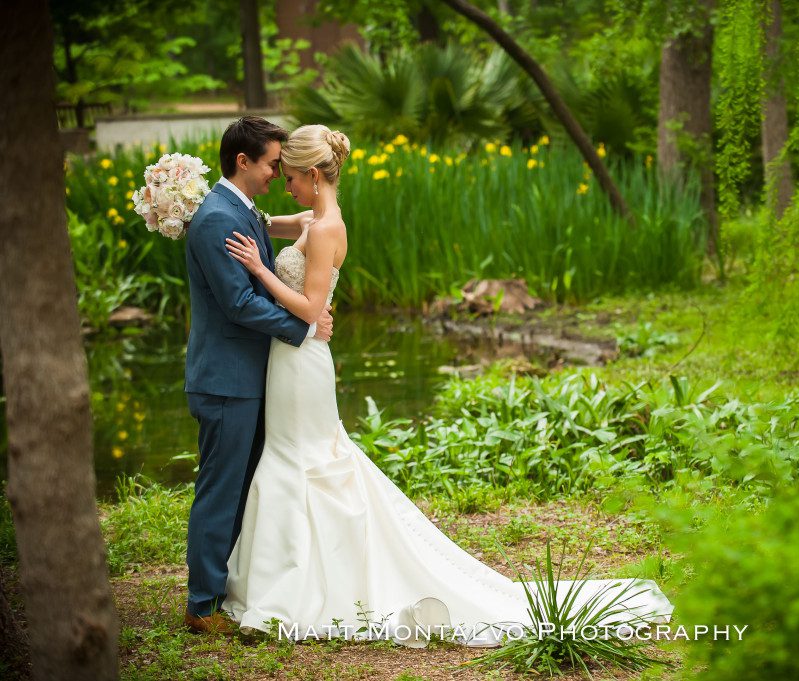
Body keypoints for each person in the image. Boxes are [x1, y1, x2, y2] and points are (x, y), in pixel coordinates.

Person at [221, 124, 673, 647]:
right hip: (288, 358)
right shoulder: (311, 219)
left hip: (303, 362)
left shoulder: (326, 230)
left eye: (292, 177)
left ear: (315, 176)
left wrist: (259, 270)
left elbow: (309, 308)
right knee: (289, 456)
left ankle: (308, 582)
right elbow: (262, 221)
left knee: (306, 458)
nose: (285, 185)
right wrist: (207, 211)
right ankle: (287, 574)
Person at [182, 116, 335, 634]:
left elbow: (306, 223)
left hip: (252, 375)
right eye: (272, 164)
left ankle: (226, 588)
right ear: (243, 161)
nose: (276, 173)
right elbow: (238, 303)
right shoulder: (216, 219)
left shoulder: (241, 210)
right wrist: (305, 328)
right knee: (221, 488)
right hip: (225, 378)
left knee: (247, 485)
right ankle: (202, 604)